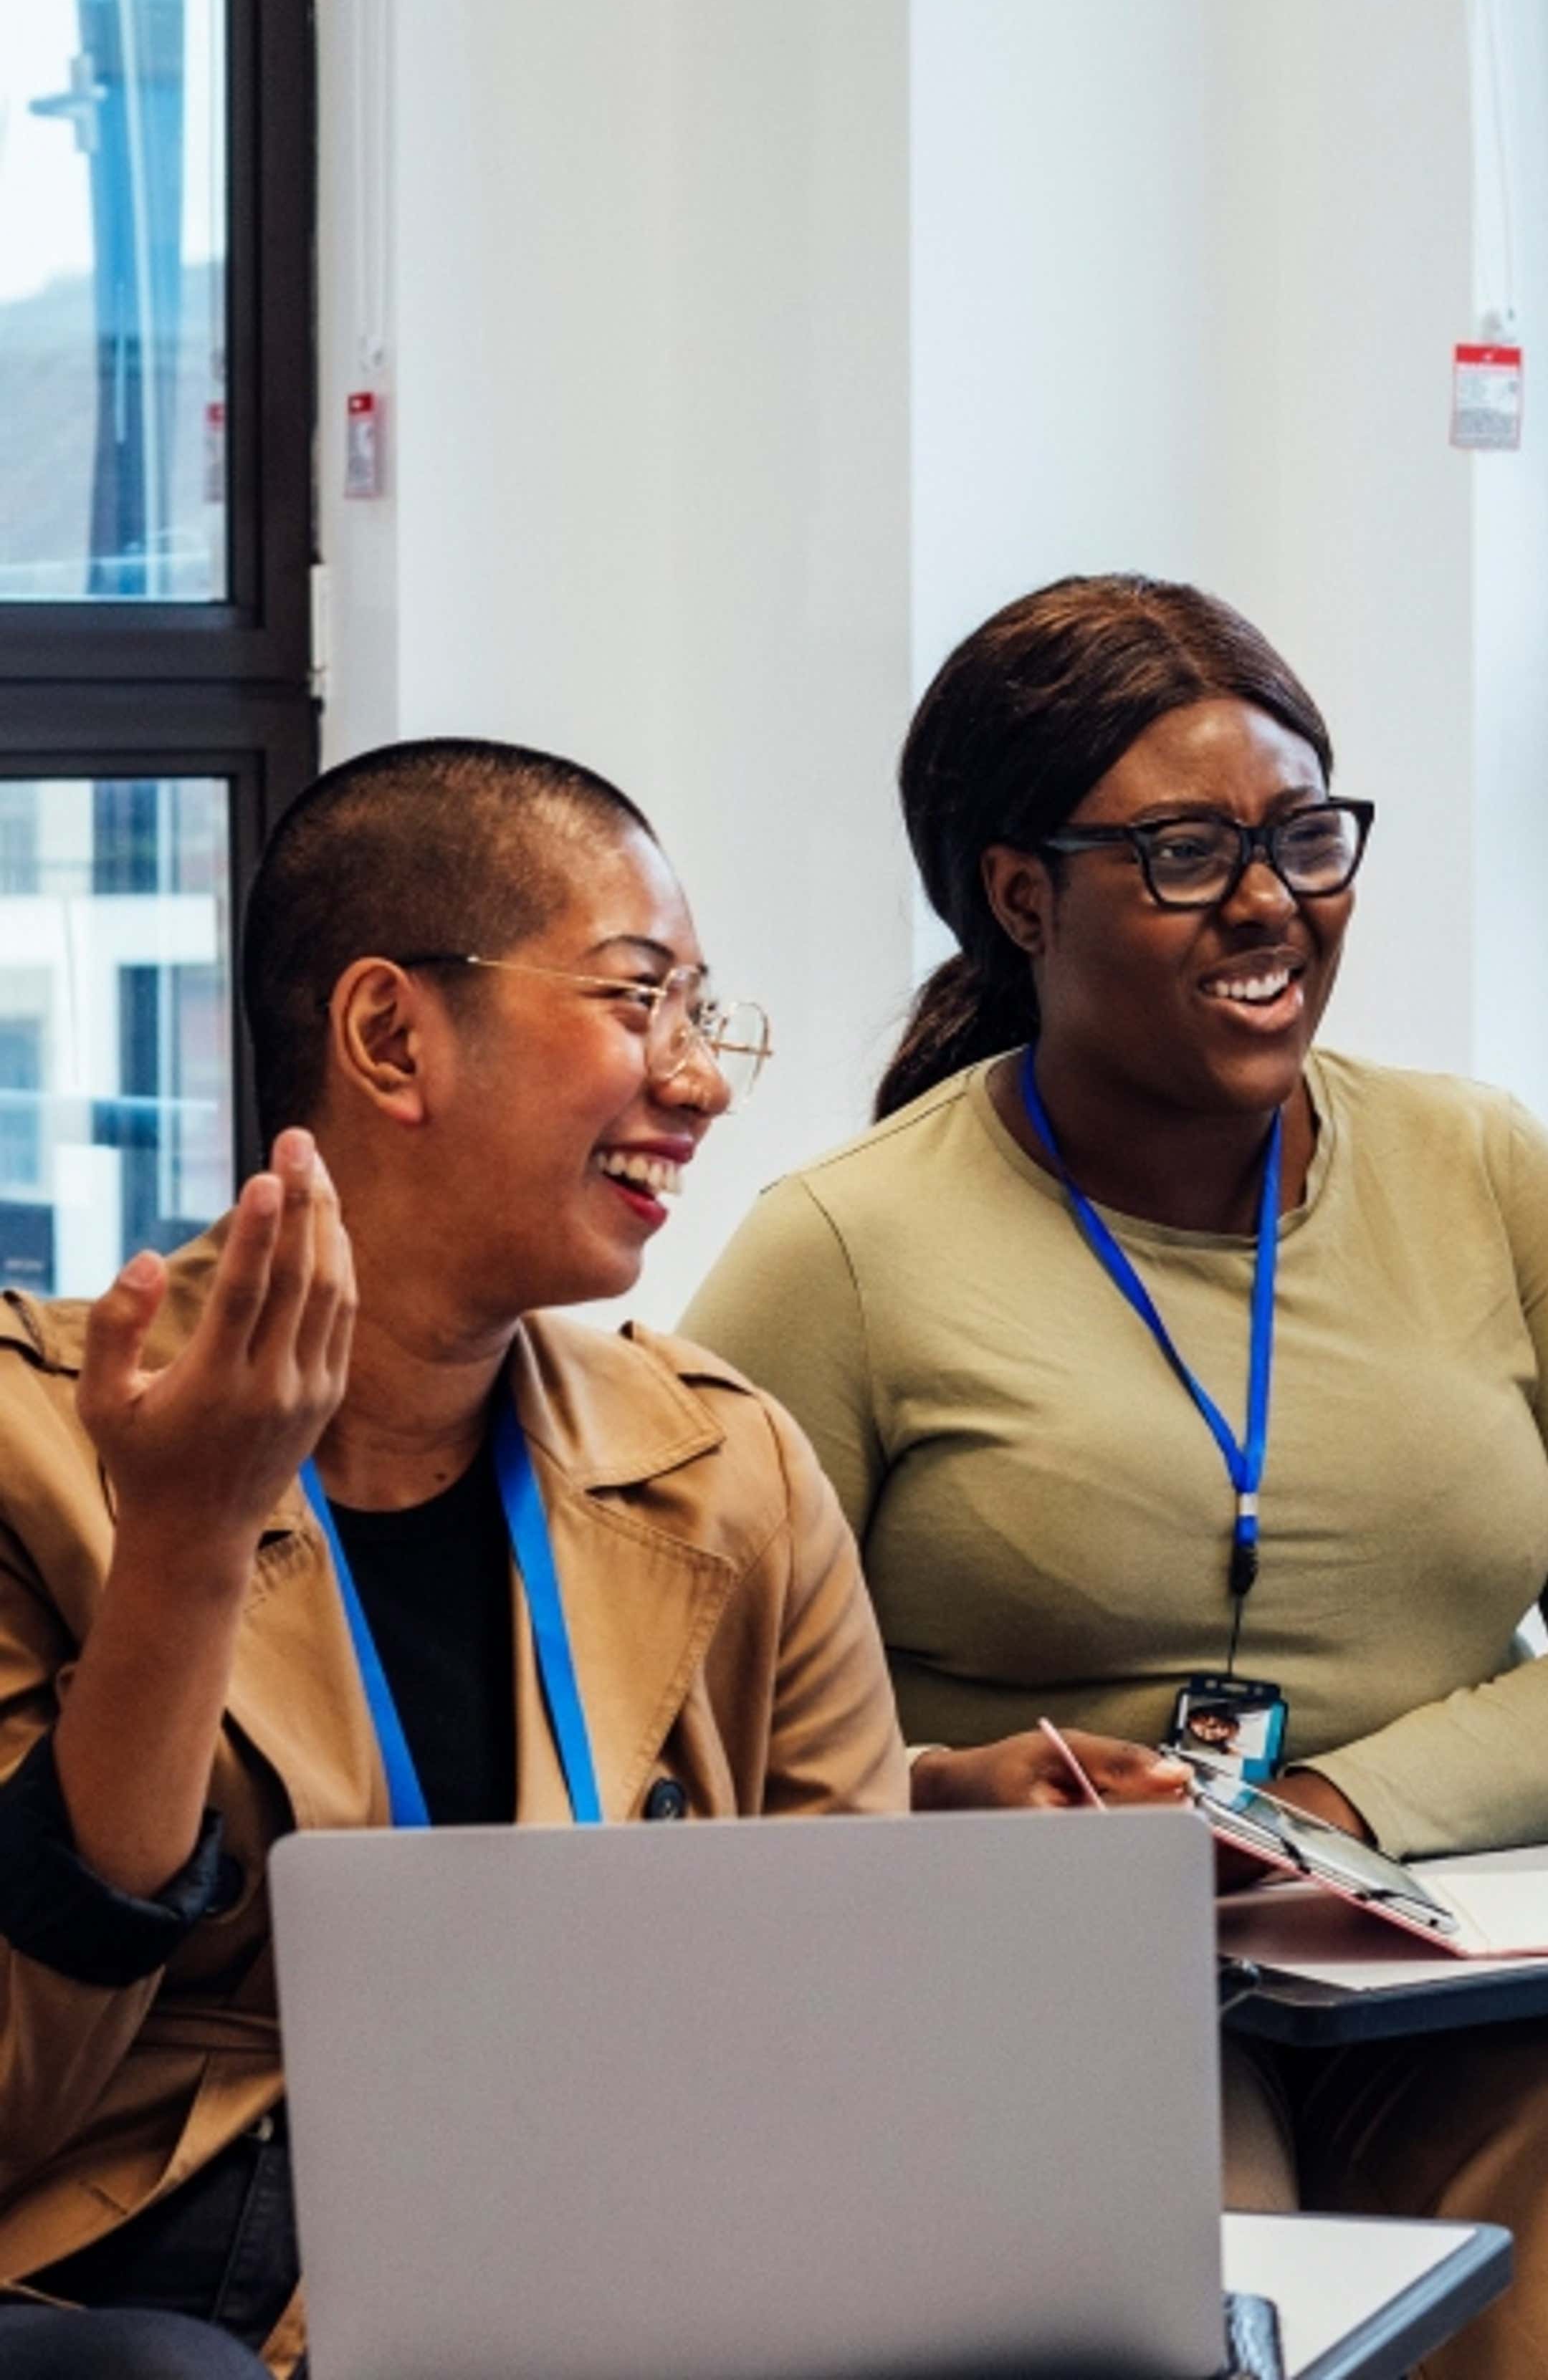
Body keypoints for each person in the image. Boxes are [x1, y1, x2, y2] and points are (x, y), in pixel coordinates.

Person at [684, 575, 1548, 2380]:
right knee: (1187, 2228)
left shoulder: (1486, 1168)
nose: (1272, 900)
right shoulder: (844, 1249)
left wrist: (1338, 1815)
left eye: (1305, 836)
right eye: (1188, 853)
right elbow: (677, 1733)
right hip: (1046, 1982)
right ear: (1020, 893)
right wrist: (950, 1795)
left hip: (1449, 1957)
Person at [0, 742, 922, 2376]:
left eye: (703, 1016)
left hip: (613, 2249)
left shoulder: (730, 1469)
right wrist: (186, 1553)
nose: (698, 1080)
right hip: (158, 2286)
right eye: (640, 1002)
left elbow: (850, 2035)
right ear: (387, 1036)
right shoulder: (37, 1449)